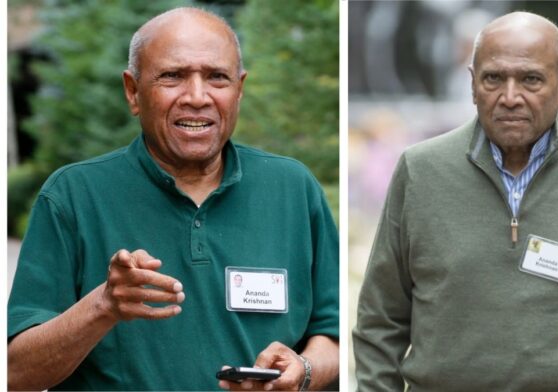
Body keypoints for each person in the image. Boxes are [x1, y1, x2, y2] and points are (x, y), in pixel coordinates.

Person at [8, 7, 338, 391]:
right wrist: (103, 307)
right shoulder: (73, 195)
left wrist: (304, 370)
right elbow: (15, 374)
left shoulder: (293, 187)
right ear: (133, 91)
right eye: (173, 77)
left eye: (217, 77)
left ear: (239, 89)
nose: (197, 97)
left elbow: (333, 336)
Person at [353, 11, 558, 392]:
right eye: (494, 78)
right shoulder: (420, 170)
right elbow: (381, 319)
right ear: (473, 84)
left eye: (530, 80)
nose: (510, 97)